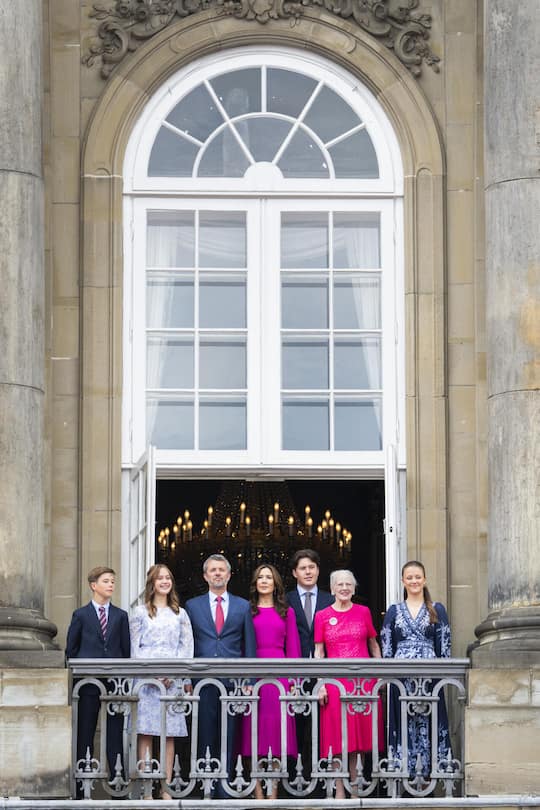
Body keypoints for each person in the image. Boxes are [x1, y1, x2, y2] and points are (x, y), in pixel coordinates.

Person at [185, 554, 257, 798]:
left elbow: (249, 646)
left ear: (229, 575)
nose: (217, 574)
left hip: (233, 681)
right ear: (205, 576)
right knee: (204, 732)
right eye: (212, 570)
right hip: (201, 680)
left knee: (229, 733)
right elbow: (187, 644)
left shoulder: (242, 605)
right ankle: (206, 783)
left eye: (221, 570)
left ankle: (225, 787)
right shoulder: (192, 606)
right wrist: (186, 679)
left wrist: (249, 681)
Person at [314, 569, 383, 799]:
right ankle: (339, 793)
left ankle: (356, 790)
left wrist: (381, 676)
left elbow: (373, 645)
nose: (344, 588)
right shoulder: (322, 615)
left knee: (358, 740)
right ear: (332, 589)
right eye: (339, 584)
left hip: (361, 683)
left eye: (348, 584)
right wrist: (321, 683)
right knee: (336, 739)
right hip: (334, 684)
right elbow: (319, 652)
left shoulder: (363, 612)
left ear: (354, 589)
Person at [381, 560, 451, 777]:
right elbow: (387, 646)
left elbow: (445, 644)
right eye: (409, 577)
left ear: (425, 579)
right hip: (401, 677)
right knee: (402, 723)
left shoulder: (437, 609)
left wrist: (441, 675)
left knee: (430, 721)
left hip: (429, 676)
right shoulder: (393, 611)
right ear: (403, 581)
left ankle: (429, 776)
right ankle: (403, 775)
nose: (413, 581)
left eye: (417, 577)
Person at [130, 564, 194, 800]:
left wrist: (178, 675)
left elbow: (186, 648)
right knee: (145, 733)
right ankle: (147, 789)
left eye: (168, 577)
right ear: (152, 583)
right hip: (146, 680)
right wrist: (153, 673)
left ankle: (165, 788)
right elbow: (135, 648)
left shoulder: (180, 613)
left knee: (169, 735)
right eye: (160, 578)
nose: (165, 581)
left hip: (173, 679)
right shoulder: (139, 612)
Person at [66, 566, 131, 797]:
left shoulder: (121, 616)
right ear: (94, 585)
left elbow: (126, 651)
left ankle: (117, 782)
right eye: (106, 581)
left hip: (115, 681)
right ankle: (82, 783)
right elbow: (71, 649)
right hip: (87, 681)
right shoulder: (80, 615)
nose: (111, 585)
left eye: (113, 581)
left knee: (114, 731)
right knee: (85, 729)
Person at [238, 564, 302, 799]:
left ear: (276, 583)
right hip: (253, 676)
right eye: (260, 577)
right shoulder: (248, 611)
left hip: (280, 676)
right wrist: (245, 678)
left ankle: (273, 791)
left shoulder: (287, 611)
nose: (264, 581)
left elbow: (294, 648)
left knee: (277, 735)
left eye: (269, 577)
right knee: (253, 735)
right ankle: (257, 792)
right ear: (255, 583)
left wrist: (295, 682)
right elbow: (243, 646)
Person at [286, 548, 334, 769]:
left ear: (318, 571)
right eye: (303, 568)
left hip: (323, 671)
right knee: (293, 725)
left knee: (320, 726)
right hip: (293, 671)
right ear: (295, 572)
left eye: (311, 568)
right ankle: (294, 777)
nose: (308, 572)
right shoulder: (285, 600)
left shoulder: (330, 599)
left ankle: (318, 775)